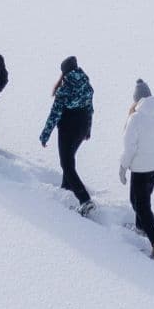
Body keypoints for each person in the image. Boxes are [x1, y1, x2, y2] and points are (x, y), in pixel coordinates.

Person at [118, 78, 154, 259]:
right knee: (143, 200)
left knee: (139, 204)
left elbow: (130, 148)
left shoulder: (135, 118)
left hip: (141, 169)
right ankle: (141, 226)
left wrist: (123, 166)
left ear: (136, 99)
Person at [39, 55, 96, 210]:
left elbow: (55, 114)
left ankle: (85, 200)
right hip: (82, 126)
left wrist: (45, 135)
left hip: (68, 130)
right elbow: (90, 108)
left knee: (66, 164)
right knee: (69, 160)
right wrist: (88, 129)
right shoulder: (86, 83)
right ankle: (66, 190)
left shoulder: (64, 90)